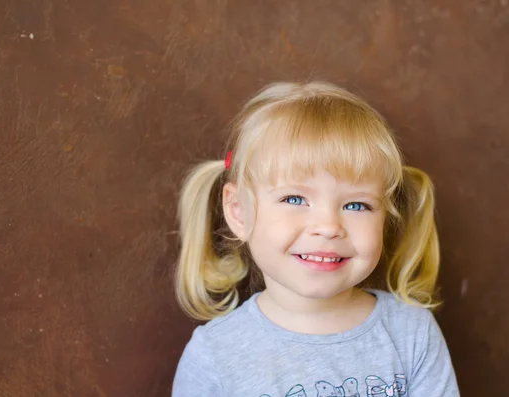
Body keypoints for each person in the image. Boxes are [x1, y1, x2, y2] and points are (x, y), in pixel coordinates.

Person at [171, 81, 460, 397]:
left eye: (356, 205)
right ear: (239, 212)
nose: (328, 226)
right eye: (294, 199)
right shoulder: (214, 356)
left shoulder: (411, 335)